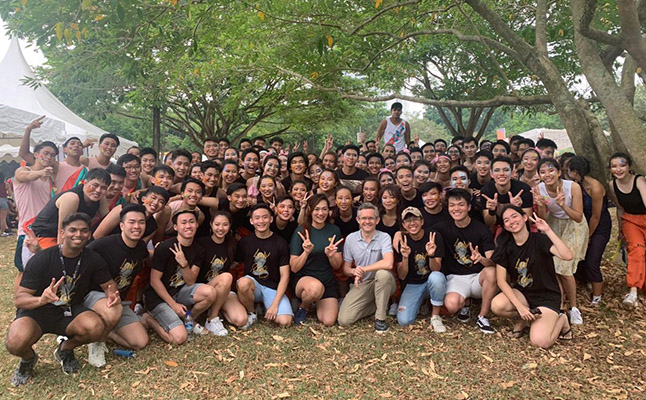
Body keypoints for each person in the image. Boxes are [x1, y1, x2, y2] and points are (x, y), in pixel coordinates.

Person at [6, 213, 121, 385]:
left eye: (83, 231)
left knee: (95, 328)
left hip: (69, 310)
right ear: (62, 232)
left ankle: (65, 349)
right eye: (72, 230)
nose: (78, 235)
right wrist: (41, 299)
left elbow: (109, 285)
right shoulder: (42, 258)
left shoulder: (93, 258)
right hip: (37, 312)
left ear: (89, 234)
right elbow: (19, 299)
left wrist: (112, 294)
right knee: (15, 343)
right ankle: (28, 359)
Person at [491, 206, 573, 348]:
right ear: (504, 226)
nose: (511, 221)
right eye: (506, 220)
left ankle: (563, 320)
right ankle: (524, 319)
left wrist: (547, 230)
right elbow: (501, 281)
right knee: (497, 305)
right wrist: (521, 307)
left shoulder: (540, 240)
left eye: (514, 216)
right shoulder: (505, 247)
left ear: (524, 218)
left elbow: (567, 256)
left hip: (546, 297)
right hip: (523, 294)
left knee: (540, 342)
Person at [84, 205, 152, 367]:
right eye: (132, 222)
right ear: (121, 225)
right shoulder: (102, 245)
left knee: (140, 342)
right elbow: (79, 259)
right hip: (93, 295)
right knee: (113, 309)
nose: (137, 226)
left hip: (117, 299)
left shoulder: (141, 248)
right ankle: (97, 344)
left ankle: (106, 333)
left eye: (141, 222)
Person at [142, 209, 220, 344]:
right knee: (179, 338)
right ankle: (148, 319)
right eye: (183, 223)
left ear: (197, 225)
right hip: (158, 297)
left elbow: (190, 281)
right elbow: (154, 281)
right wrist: (173, 305)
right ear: (176, 227)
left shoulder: (198, 249)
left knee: (210, 293)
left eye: (191, 222)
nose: (188, 226)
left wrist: (184, 264)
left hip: (180, 292)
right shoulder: (165, 247)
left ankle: (189, 319)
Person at [435, 189, 497, 334]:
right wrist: (400, 234)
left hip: (478, 278)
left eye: (461, 205)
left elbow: (493, 262)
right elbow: (419, 232)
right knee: (451, 306)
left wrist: (481, 259)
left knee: (491, 272)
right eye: (452, 205)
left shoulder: (481, 229)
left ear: (469, 207)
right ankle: (466, 302)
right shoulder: (443, 228)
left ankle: (483, 316)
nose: (456, 209)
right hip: (456, 278)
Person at [536, 158, 588, 325]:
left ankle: (573, 307)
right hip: (553, 224)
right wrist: (541, 206)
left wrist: (563, 205)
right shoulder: (539, 189)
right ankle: (558, 304)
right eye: (543, 172)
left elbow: (578, 217)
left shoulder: (572, 187)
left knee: (565, 268)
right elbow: (543, 220)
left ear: (559, 172)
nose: (547, 174)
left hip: (573, 225)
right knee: (553, 265)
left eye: (551, 170)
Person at [337, 202, 395, 332]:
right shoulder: (351, 239)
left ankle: (380, 319)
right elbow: (346, 269)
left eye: (371, 218)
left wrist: (363, 269)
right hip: (363, 283)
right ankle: (380, 304)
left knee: (382, 274)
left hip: (384, 282)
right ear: (358, 220)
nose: (367, 221)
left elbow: (388, 263)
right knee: (344, 320)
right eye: (364, 218)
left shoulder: (384, 237)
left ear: (377, 220)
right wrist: (353, 271)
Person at [235, 204, 294, 327]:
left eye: (265, 217)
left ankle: (266, 305)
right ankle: (251, 312)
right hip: (253, 285)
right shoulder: (245, 242)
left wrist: (275, 304)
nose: (261, 221)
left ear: (271, 219)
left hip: (272, 287)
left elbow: (285, 276)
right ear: (251, 221)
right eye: (257, 218)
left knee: (285, 322)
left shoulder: (280, 243)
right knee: (242, 283)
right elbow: (235, 264)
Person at [290, 194, 343, 326]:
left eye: (324, 209)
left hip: (326, 280)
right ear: (310, 210)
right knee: (314, 289)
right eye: (317, 209)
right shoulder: (301, 231)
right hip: (304, 280)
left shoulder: (334, 230)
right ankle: (304, 306)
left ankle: (314, 302)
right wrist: (306, 253)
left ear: (329, 211)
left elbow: (337, 266)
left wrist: (331, 256)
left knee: (328, 321)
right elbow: (294, 267)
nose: (321, 213)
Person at [195, 211, 250, 333]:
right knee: (226, 277)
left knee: (241, 320)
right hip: (204, 289)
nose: (220, 228)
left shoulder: (232, 245)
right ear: (211, 224)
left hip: (223, 290)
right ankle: (212, 318)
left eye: (225, 224)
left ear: (230, 225)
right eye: (217, 224)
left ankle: (218, 308)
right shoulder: (200, 243)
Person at [568, 156, 612, 305]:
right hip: (585, 225)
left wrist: (587, 237)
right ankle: (586, 281)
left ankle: (597, 296)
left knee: (593, 260)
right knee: (581, 257)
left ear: (575, 171)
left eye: (569, 170)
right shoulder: (577, 185)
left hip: (599, 226)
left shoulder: (595, 187)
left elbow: (596, 216)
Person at [394, 207, 446, 332]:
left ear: (422, 221)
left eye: (415, 219)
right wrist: (405, 257)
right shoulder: (402, 240)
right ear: (403, 225)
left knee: (437, 277)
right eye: (408, 221)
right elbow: (401, 276)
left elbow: (436, 268)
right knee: (404, 320)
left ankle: (435, 316)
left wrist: (431, 255)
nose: (412, 223)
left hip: (431, 281)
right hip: (413, 284)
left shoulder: (433, 236)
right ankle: (422, 304)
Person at [31, 168, 111, 249]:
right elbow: (62, 231)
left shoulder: (100, 198)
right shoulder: (71, 198)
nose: (98, 190)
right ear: (85, 182)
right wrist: (61, 256)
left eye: (103, 188)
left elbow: (108, 219)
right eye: (95, 185)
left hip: (72, 236)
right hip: (45, 236)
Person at [13, 141, 58, 275]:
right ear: (36, 155)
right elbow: (25, 176)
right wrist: (40, 173)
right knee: (25, 271)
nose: (49, 157)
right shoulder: (24, 171)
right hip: (27, 231)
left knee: (44, 270)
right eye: (46, 153)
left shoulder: (50, 178)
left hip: (45, 231)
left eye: (52, 155)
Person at [607, 153, 646, 307]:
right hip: (630, 220)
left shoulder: (639, 180)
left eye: (622, 165)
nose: (618, 169)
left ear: (629, 166)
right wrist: (620, 229)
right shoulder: (612, 185)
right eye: (614, 166)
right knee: (637, 250)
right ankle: (633, 291)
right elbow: (620, 208)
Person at [481, 157, 533, 229]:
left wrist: (518, 208)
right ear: (491, 174)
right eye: (497, 170)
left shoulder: (523, 189)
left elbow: (529, 221)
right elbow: (489, 223)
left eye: (506, 170)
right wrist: (491, 211)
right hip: (498, 228)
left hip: (519, 226)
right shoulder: (486, 191)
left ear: (512, 173)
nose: (501, 173)